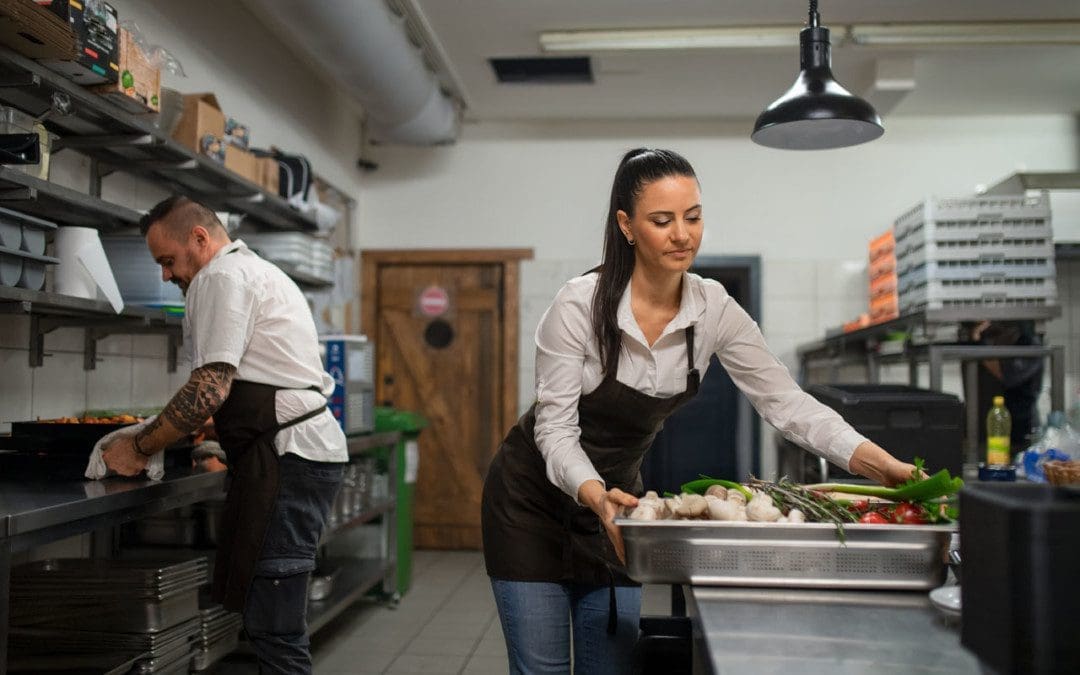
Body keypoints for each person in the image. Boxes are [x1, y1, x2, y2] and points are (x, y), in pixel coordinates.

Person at [480, 148, 921, 675]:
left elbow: (788, 403)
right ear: (626, 225)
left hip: (619, 511)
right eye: (662, 221)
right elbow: (554, 432)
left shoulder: (713, 309)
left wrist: (883, 467)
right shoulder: (579, 305)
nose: (682, 235)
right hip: (530, 504)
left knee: (611, 668)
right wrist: (595, 495)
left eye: (693, 217)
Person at [101, 196, 347, 674]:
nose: (165, 276)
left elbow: (209, 386)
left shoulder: (221, 276)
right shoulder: (252, 271)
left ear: (200, 239)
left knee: (275, 623)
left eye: (167, 261)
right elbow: (254, 381)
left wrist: (139, 447)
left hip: (287, 459)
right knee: (268, 614)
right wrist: (217, 432)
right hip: (295, 453)